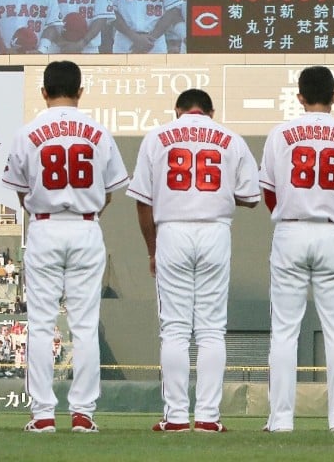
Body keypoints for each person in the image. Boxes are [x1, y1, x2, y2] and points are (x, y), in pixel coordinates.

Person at [2, 60, 128, 434]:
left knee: (40, 325)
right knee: (85, 326)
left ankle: (42, 414)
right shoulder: (98, 132)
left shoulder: (28, 132)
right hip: (86, 227)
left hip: (44, 226)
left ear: (44, 91)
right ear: (80, 90)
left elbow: (21, 190)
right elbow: (109, 192)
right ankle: (82, 414)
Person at [128, 89, 259, 433]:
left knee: (174, 329)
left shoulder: (157, 137)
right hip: (215, 231)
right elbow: (251, 198)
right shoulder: (230, 138)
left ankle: (175, 418)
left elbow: (143, 202)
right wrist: (217, 194)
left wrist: (152, 249)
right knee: (212, 330)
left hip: (172, 230)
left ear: (178, 110)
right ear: (210, 111)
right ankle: (207, 418)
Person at [260, 66, 334, 433]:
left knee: (284, 331)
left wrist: (293, 215)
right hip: (332, 232)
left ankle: (280, 421)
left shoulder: (281, 134)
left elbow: (268, 192)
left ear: (299, 97)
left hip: (290, 231)